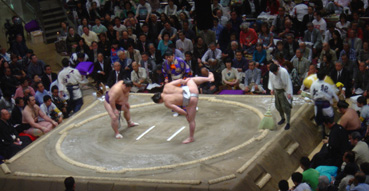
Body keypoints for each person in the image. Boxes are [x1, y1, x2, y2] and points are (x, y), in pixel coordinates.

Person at [151, 72, 215, 144]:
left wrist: (186, 114)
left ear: (159, 101)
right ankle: (209, 78)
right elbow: (179, 81)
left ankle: (191, 138)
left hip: (190, 101)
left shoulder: (167, 103)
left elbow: (178, 109)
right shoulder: (167, 86)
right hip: (192, 90)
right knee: (191, 80)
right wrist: (185, 81)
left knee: (191, 121)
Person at [310, 71, 339, 138]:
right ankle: (332, 134)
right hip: (326, 106)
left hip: (317, 106)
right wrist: (337, 101)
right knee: (331, 120)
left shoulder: (313, 85)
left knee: (321, 119)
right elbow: (333, 94)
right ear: (324, 77)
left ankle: (323, 133)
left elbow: (311, 95)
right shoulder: (327, 85)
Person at [268, 63, 293, 130]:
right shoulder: (271, 72)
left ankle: (288, 122)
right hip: (276, 90)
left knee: (286, 107)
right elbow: (271, 81)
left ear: (278, 68)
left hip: (284, 91)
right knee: (278, 106)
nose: (274, 73)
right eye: (273, 72)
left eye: (275, 72)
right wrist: (272, 89)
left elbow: (288, 82)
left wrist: (289, 93)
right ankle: (282, 118)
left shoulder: (283, 71)